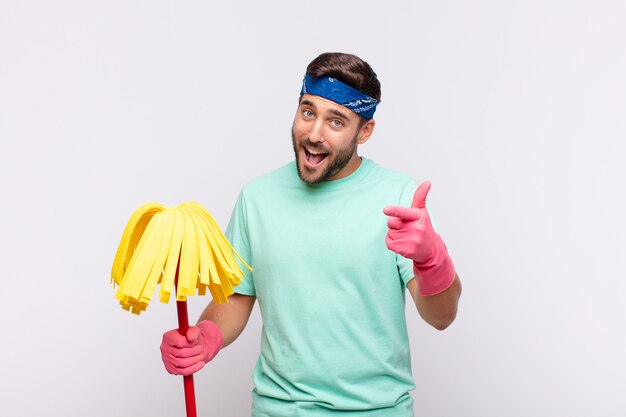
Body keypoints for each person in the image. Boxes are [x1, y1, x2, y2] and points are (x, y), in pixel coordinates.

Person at [160, 52, 462, 417]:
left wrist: (432, 260)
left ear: (364, 131)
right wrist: (207, 335)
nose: (314, 133)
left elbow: (441, 317)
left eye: (336, 121)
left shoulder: (399, 198)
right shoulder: (257, 197)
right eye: (308, 112)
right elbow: (238, 297)